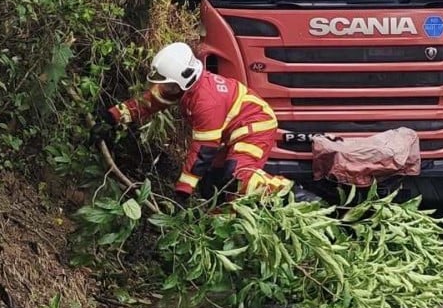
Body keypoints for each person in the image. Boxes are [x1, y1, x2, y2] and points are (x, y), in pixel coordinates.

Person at [92, 42, 302, 201]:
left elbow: (203, 150)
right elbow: (148, 103)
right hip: (232, 130)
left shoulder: (206, 101)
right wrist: (111, 117)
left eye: (169, 85)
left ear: (184, 78)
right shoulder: (185, 88)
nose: (164, 89)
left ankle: (290, 194)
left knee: (236, 177)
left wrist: (183, 190)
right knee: (213, 183)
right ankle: (219, 222)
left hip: (255, 126)